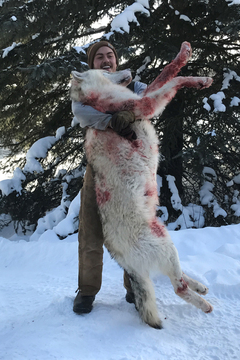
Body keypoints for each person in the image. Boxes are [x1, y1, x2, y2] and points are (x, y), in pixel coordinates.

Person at [72, 41, 147, 314]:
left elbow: (147, 103)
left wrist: (131, 112)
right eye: (99, 57)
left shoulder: (134, 85)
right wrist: (113, 120)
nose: (106, 60)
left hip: (128, 172)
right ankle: (87, 291)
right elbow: (80, 111)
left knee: (132, 233)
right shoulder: (85, 89)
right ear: (92, 64)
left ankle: (135, 287)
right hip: (98, 169)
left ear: (116, 60)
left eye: (110, 56)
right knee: (90, 232)